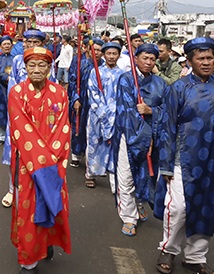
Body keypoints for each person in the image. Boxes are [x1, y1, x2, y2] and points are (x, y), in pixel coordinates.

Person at [154, 37, 214, 274]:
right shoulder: (177, 89)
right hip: (185, 159)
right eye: (200, 58)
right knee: (179, 207)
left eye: (210, 57)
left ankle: (195, 256)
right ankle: (168, 250)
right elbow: (167, 127)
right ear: (189, 61)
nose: (206, 62)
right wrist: (167, 164)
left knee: (206, 206)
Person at [8, 46, 71, 273]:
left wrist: (53, 161)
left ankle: (46, 243)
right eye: (32, 65)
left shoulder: (60, 93)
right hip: (27, 163)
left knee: (52, 201)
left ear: (49, 67)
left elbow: (64, 128)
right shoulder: (17, 93)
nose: (37, 70)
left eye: (42, 65)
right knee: (28, 208)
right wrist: (43, 161)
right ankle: (29, 259)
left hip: (55, 161)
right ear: (25, 68)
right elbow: (21, 130)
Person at [112, 43, 166, 237]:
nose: (148, 62)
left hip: (153, 137)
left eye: (152, 59)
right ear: (136, 59)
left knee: (147, 175)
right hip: (130, 136)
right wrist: (145, 137)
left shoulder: (160, 83)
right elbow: (127, 112)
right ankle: (128, 216)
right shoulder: (126, 80)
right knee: (126, 176)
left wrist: (151, 111)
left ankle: (140, 202)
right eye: (145, 58)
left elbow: (167, 110)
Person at [1, 29, 54, 207]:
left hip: (41, 117)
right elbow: (12, 88)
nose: (31, 46)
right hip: (19, 117)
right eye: (28, 42)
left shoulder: (48, 61)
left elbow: (52, 90)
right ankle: (12, 190)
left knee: (39, 155)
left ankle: (38, 190)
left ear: (42, 44)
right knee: (15, 155)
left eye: (36, 43)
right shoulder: (17, 61)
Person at [87, 41, 124, 190]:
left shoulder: (123, 74)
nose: (111, 56)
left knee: (114, 146)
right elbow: (93, 93)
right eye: (108, 53)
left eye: (114, 53)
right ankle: (91, 174)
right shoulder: (95, 72)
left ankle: (114, 178)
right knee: (95, 144)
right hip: (98, 115)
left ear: (119, 55)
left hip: (116, 115)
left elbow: (124, 95)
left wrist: (114, 111)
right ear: (103, 54)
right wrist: (104, 111)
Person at [67, 37, 98, 170]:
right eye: (94, 49)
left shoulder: (102, 64)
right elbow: (72, 80)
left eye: (99, 50)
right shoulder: (78, 60)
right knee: (78, 127)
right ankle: (76, 154)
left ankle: (91, 158)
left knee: (93, 129)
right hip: (81, 99)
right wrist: (75, 99)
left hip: (95, 101)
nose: (97, 53)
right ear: (87, 49)